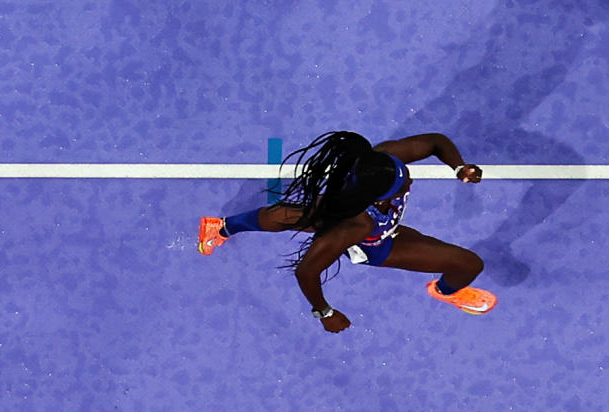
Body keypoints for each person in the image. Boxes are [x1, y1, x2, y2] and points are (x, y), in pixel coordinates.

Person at [199, 130, 496, 324]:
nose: (409, 181)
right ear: (379, 197)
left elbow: (435, 141)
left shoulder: (379, 160)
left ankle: (220, 227)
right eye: (401, 185)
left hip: (356, 213)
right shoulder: (356, 225)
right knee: (469, 264)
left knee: (300, 216)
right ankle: (444, 291)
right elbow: (307, 271)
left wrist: (459, 167)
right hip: (377, 244)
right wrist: (325, 313)